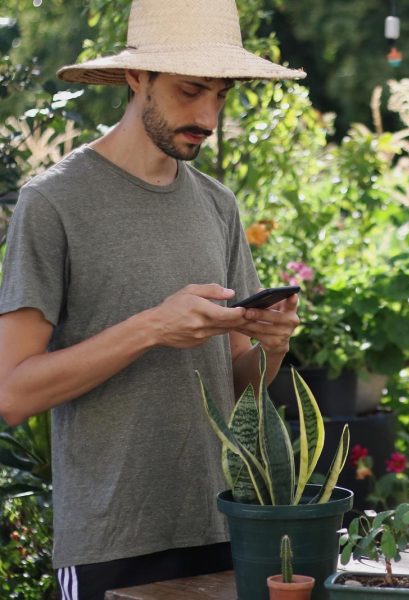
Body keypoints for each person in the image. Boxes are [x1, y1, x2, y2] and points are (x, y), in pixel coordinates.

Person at [0, 1, 306, 598]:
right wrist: (151, 329)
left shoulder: (218, 205)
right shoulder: (54, 203)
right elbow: (12, 394)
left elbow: (241, 386)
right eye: (191, 91)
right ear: (136, 77)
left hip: (221, 524)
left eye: (220, 95)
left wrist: (272, 346)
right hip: (109, 542)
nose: (208, 116)